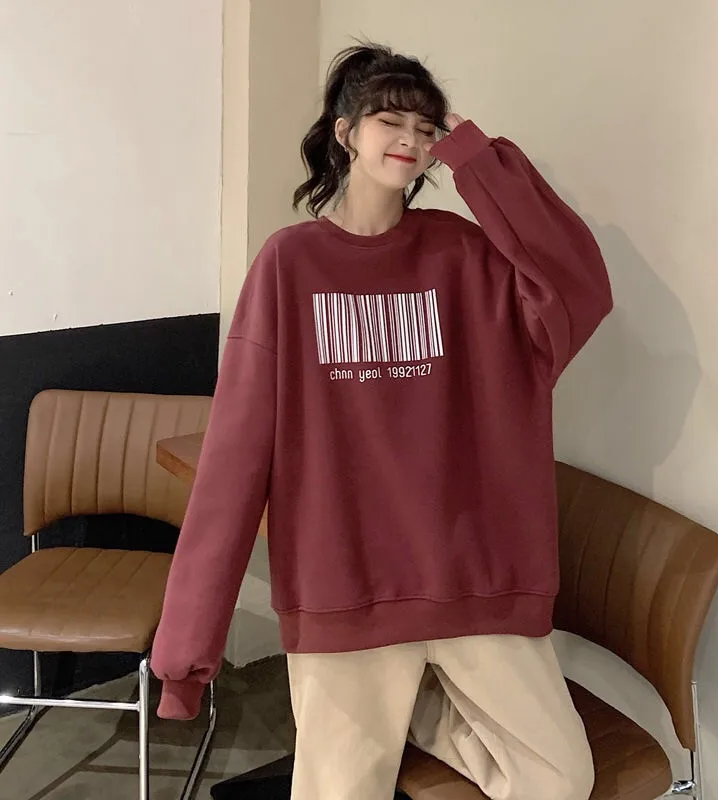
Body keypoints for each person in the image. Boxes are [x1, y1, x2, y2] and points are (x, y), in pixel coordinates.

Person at [151, 41, 613, 800]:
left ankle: (420, 711)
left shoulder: (464, 255)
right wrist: (188, 648)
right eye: (389, 120)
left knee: (560, 778)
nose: (410, 140)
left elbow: (578, 288)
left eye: (426, 128)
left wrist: (476, 158)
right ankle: (416, 708)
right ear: (345, 132)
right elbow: (236, 455)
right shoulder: (290, 265)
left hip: (472, 579)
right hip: (344, 585)